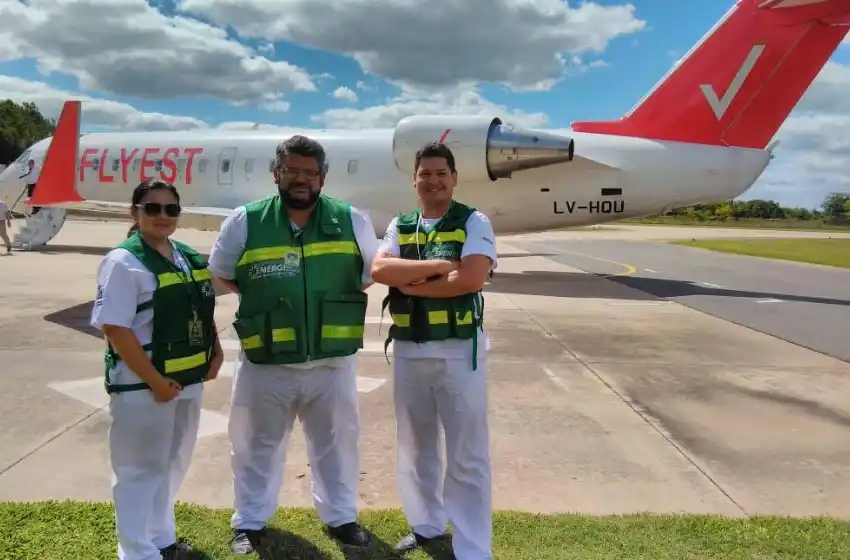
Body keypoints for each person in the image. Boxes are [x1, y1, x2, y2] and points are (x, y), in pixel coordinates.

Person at [208, 134, 379, 555]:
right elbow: (220, 272)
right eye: (291, 171)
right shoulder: (245, 220)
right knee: (253, 445)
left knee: (337, 444)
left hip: (331, 364)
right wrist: (267, 301)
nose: (300, 180)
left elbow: (369, 273)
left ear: (322, 177)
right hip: (266, 363)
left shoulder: (350, 219)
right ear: (276, 174)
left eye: (309, 172)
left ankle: (341, 518)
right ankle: (249, 522)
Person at [370, 142, 497, 559]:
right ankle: (426, 526)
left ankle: (474, 548)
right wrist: (441, 266)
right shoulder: (401, 224)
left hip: (460, 352)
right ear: (415, 179)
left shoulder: (473, 220)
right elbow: (380, 269)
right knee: (415, 445)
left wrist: (410, 283)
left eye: (441, 172)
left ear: (454, 178)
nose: (433, 180)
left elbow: (472, 278)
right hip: (410, 349)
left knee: (467, 453)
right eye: (425, 173)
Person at [90, 179, 224, 560]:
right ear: (134, 213)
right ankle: (135, 552)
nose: (163, 216)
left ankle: (160, 538)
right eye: (152, 208)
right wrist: (154, 382)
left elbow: (199, 304)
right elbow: (115, 328)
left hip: (186, 381)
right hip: (142, 386)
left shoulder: (182, 254)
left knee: (172, 464)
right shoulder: (123, 262)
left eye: (171, 209)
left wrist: (214, 349)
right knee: (137, 472)